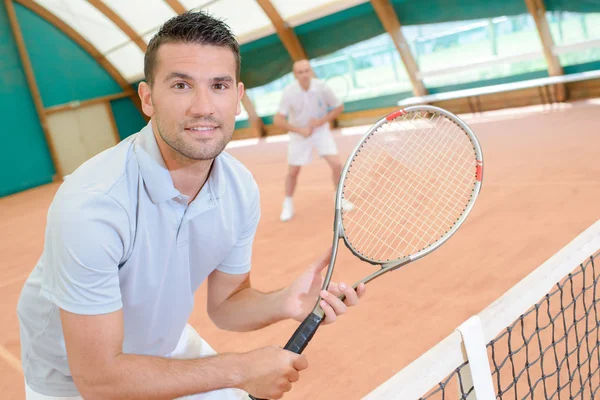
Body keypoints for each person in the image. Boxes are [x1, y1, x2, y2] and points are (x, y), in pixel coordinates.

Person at [16, 11, 365, 400]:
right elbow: (100, 380)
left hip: (163, 347)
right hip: (75, 383)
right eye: (181, 85)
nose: (203, 106)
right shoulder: (93, 206)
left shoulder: (238, 188)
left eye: (219, 85)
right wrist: (239, 370)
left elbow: (227, 305)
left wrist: (285, 302)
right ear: (148, 99)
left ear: (238, 98)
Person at [273, 60, 350, 222]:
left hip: (320, 131)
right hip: (298, 134)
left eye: (306, 71)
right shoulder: (289, 92)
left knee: (336, 164)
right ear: (295, 75)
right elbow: (278, 120)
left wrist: (321, 121)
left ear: (311, 71)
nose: (304, 75)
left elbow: (338, 107)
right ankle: (287, 203)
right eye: (300, 72)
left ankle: (339, 197)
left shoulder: (322, 87)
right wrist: (300, 130)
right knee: (293, 171)